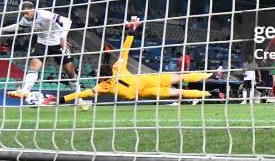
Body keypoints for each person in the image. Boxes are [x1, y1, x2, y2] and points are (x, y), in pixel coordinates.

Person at [45, 17, 216, 105]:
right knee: (180, 80)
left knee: (179, 92)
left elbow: (79, 94)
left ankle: (210, 92)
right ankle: (210, 79)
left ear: (100, 77)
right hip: (146, 83)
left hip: (146, 89)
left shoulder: (102, 87)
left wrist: (61, 100)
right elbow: (125, 49)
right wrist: (131, 32)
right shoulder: (115, 69)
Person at [0, 1, 79, 99]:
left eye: (26, 13)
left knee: (70, 71)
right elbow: (18, 26)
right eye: (23, 14)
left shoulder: (45, 15)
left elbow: (67, 21)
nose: (25, 16)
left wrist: (63, 37)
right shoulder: (26, 19)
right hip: (42, 43)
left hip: (58, 44)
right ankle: (25, 91)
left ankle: (79, 97)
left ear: (33, 9)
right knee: (34, 65)